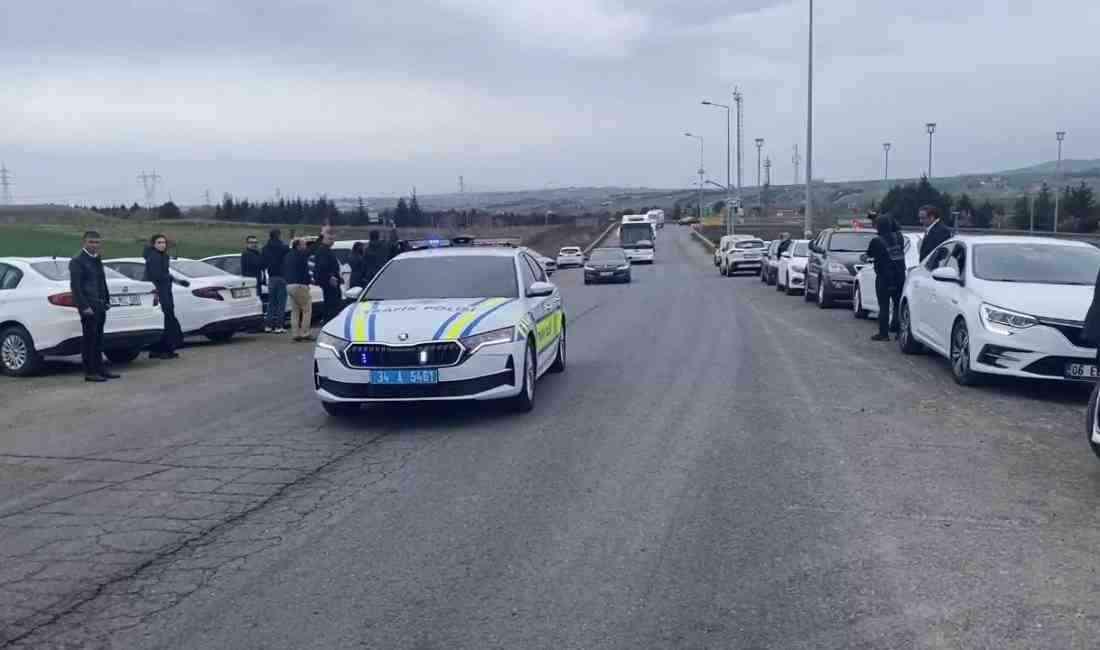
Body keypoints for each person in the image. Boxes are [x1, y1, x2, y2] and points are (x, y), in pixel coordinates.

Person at [69, 231, 118, 382]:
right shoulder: (77, 261)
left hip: (100, 305)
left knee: (99, 339)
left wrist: (107, 300)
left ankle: (100, 369)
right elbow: (76, 287)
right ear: (84, 242)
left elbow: (102, 282)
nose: (94, 245)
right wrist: (84, 307)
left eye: (97, 242)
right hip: (88, 306)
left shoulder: (97, 259)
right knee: (89, 339)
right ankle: (90, 372)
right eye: (91, 242)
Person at [143, 234, 188, 359]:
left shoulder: (163, 256)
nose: (162, 244)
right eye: (159, 242)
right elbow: (155, 275)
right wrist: (169, 280)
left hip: (166, 290)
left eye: (163, 242)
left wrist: (178, 281)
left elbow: (166, 273)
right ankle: (163, 350)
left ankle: (162, 349)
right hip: (159, 292)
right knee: (165, 320)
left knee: (167, 320)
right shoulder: (153, 257)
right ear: (153, 244)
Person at [866, 214, 907, 341]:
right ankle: (899, 331)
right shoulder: (899, 238)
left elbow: (869, 254)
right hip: (899, 276)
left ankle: (883, 334)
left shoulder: (876, 241)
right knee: (897, 304)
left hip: (884, 277)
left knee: (883, 306)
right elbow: (897, 228)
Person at [284, 238, 314, 341]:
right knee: (307, 309)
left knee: (295, 310)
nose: (305, 246)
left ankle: (295, 334)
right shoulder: (301, 255)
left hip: (289, 285)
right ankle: (305, 333)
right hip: (300, 285)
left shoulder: (287, 256)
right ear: (298, 246)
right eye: (303, 244)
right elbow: (311, 251)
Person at [311, 230, 343, 324]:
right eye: (330, 239)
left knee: (332, 301)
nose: (333, 241)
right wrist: (331, 276)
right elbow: (323, 265)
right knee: (332, 303)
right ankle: (330, 321)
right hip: (329, 282)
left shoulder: (325, 250)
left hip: (330, 280)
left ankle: (330, 320)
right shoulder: (323, 250)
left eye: (333, 239)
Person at [261, 229, 290, 333]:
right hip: (282, 277)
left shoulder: (265, 248)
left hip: (271, 277)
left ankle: (268, 326)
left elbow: (263, 262)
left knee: (271, 303)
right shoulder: (283, 248)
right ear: (278, 235)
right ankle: (279, 326)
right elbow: (288, 253)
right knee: (281, 303)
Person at [240, 235, 265, 318]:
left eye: (255, 242)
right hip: (251, 283)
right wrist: (262, 253)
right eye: (251, 242)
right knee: (254, 304)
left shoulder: (255, 253)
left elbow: (262, 265)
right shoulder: (247, 254)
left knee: (257, 302)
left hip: (256, 282)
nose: (254, 244)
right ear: (247, 244)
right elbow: (260, 264)